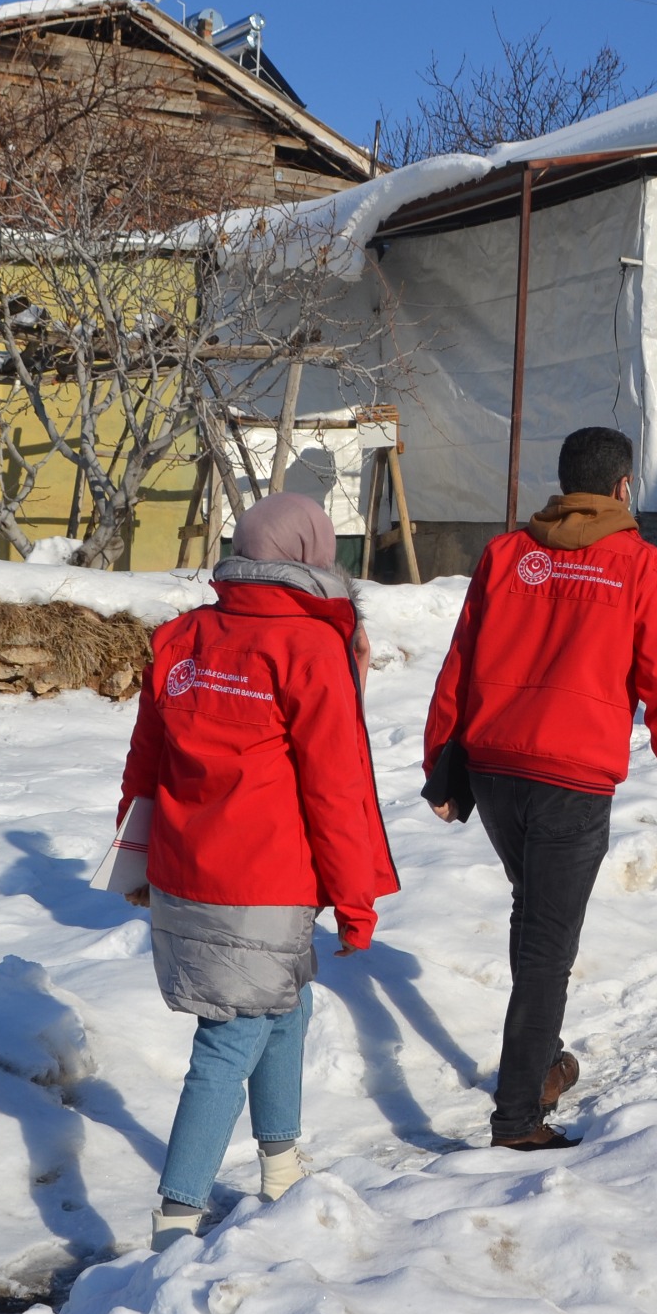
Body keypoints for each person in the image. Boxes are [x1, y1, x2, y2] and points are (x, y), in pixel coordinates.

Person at [119, 491, 397, 1249]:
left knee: (286, 1005)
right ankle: (177, 1218)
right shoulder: (306, 648)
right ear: (308, 558)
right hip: (264, 879)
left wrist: (136, 859)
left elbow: (145, 761)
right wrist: (357, 899)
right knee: (230, 1034)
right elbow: (335, 785)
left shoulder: (185, 637)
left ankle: (280, 1167)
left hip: (187, 867)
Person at [422, 426, 657, 1151]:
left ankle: (542, 1062)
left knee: (536, 919)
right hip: (570, 782)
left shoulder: (508, 554)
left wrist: (442, 765)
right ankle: (517, 1119)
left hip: (496, 774)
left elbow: (460, 662)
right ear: (623, 488)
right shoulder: (639, 565)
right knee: (548, 945)